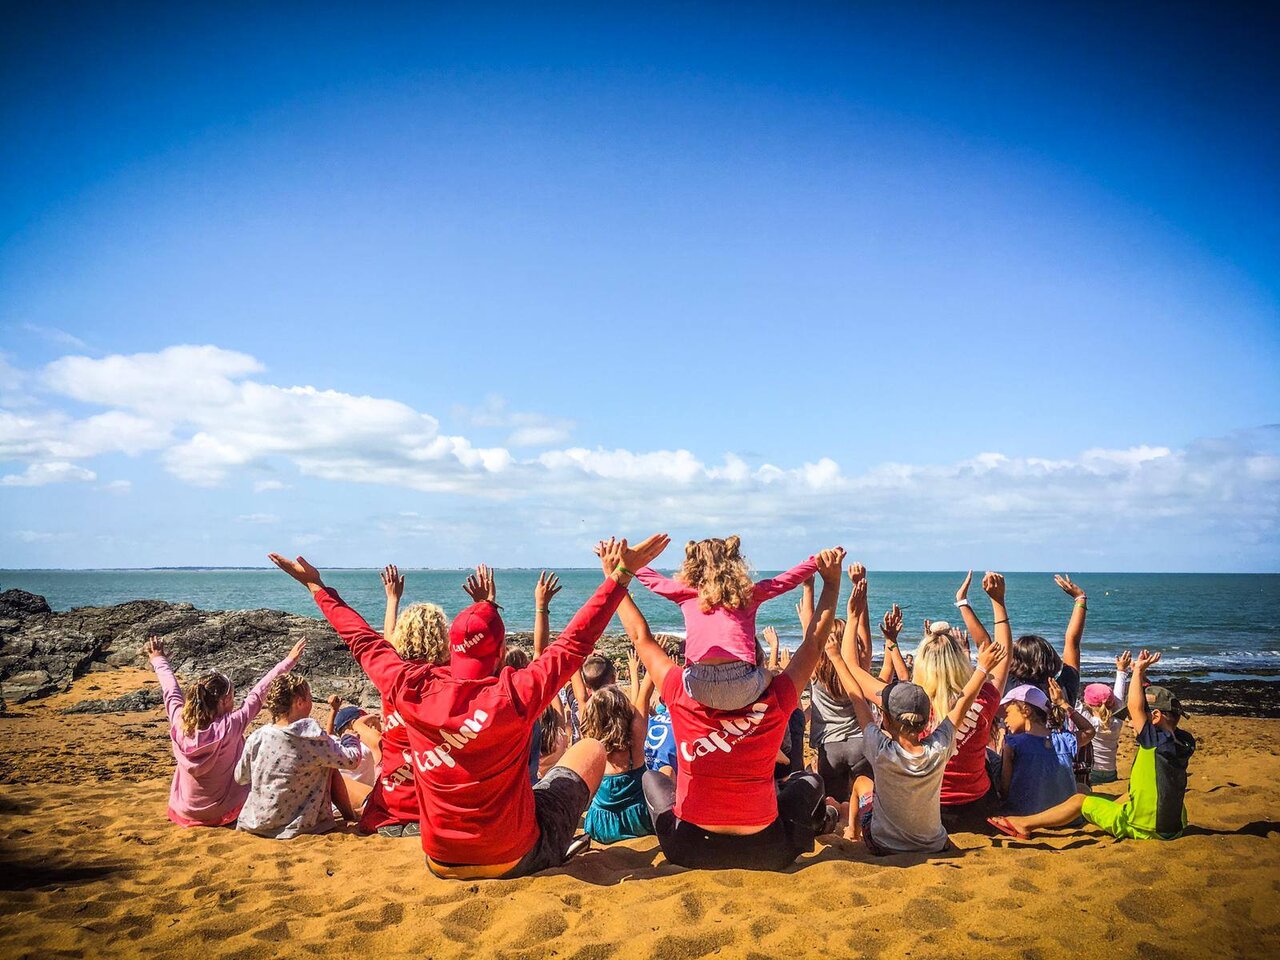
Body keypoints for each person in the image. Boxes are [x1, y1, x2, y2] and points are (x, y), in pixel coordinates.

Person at [268, 534, 670, 879]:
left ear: (452, 647)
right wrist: (619, 575)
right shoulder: (515, 691)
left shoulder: (411, 686)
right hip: (513, 855)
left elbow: (364, 640)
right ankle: (558, 846)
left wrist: (317, 588)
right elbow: (575, 641)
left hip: (440, 858)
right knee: (591, 749)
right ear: (499, 656)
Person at [627, 544, 846, 871]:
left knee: (653, 780)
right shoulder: (777, 697)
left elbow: (641, 637)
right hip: (766, 849)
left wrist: (618, 576)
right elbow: (814, 643)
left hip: (689, 847)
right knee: (809, 782)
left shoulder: (678, 691)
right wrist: (831, 584)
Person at [824, 626, 1006, 855]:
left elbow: (858, 698)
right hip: (943, 837)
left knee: (862, 783)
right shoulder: (941, 746)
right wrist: (981, 668)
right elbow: (963, 703)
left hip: (883, 844)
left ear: (887, 721)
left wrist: (836, 657)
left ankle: (852, 832)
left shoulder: (880, 748)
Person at [990, 650, 1196, 841]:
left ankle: (1025, 824)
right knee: (1121, 794)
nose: (1132, 722)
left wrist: (1138, 671)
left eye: (1134, 718)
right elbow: (1092, 730)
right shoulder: (1181, 743)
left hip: (1144, 826)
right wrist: (1140, 680)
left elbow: (1135, 705)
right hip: (1174, 826)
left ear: (1156, 717)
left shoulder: (1154, 742)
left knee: (1080, 799)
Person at [634, 536, 818, 712]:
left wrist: (624, 561)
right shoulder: (747, 594)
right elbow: (785, 581)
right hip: (742, 685)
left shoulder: (684, 592)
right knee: (770, 674)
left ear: (692, 566)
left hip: (697, 686)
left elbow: (653, 580)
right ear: (733, 564)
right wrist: (815, 562)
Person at [143, 634, 303, 828]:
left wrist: (158, 659)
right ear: (225, 701)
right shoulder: (231, 725)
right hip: (224, 812)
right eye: (233, 697)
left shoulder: (180, 723)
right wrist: (289, 661)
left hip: (185, 812)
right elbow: (259, 692)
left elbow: (171, 690)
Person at [357, 564, 450, 838]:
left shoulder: (393, 677)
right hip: (433, 799)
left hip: (395, 800)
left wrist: (392, 600)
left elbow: (386, 643)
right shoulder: (449, 677)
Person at [924, 571, 1014, 832]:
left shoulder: (913, 703)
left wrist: (890, 643)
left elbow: (856, 673)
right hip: (977, 808)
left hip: (930, 809)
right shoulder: (983, 698)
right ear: (961, 660)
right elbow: (1002, 654)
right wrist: (998, 601)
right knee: (993, 758)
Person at [234, 672, 364, 839]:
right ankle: (350, 817)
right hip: (297, 828)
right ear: (299, 702)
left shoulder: (258, 736)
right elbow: (352, 760)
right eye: (310, 697)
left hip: (254, 824)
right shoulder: (311, 738)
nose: (311, 701)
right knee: (329, 767)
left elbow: (240, 777)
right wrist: (350, 738)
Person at [997, 680, 1095, 817]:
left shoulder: (1013, 744)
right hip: (1062, 817)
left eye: (1007, 713)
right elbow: (1089, 731)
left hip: (1024, 814)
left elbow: (1005, 789)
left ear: (1026, 710)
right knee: (1083, 789)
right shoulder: (1063, 739)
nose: (1004, 720)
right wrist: (1064, 704)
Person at [581, 684, 653, 843]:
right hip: (638, 821)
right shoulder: (635, 744)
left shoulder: (590, 743)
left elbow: (581, 698)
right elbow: (644, 695)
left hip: (601, 826)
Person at [1006, 574, 1088, 708]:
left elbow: (985, 644)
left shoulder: (1010, 688)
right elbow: (1072, 642)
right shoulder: (1062, 691)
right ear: (1052, 660)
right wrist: (1080, 598)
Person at [1081, 652, 1131, 785]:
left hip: (1092, 772)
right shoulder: (1117, 721)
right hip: (1111, 773)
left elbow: (1070, 704)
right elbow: (1119, 697)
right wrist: (1121, 670)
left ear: (1088, 704)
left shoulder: (1088, 722)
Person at [326, 696, 380, 809]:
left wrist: (333, 710)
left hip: (335, 805)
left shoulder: (335, 744)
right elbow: (379, 743)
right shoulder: (365, 747)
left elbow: (329, 734)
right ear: (355, 723)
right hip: (363, 802)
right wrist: (377, 725)